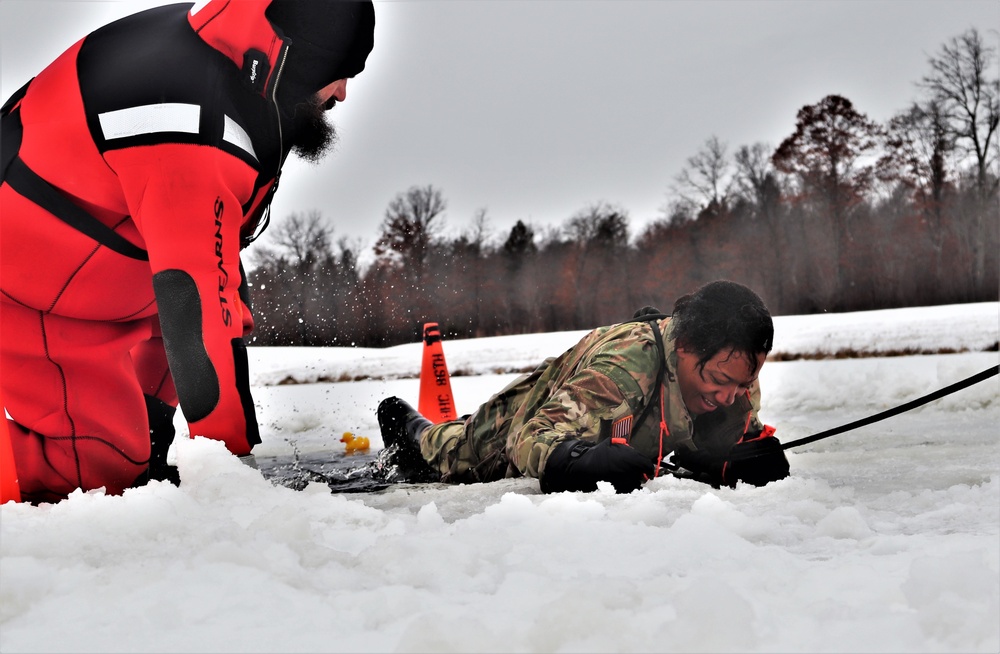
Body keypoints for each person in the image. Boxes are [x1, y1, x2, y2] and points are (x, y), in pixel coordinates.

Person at [0, 0, 376, 503]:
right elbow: (196, 300)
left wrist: (158, 429)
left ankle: (142, 443)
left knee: (144, 443)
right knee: (104, 466)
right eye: (338, 74)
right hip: (27, 289)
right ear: (300, 59)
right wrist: (231, 477)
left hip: (93, 279)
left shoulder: (233, 63)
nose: (343, 94)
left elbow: (213, 272)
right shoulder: (188, 125)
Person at [377, 280, 790, 493]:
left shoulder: (734, 377)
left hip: (592, 409)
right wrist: (578, 460)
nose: (729, 396)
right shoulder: (624, 372)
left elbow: (735, 434)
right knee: (449, 449)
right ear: (683, 347)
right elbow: (529, 438)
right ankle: (407, 424)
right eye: (718, 381)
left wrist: (739, 458)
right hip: (508, 429)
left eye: (743, 384)